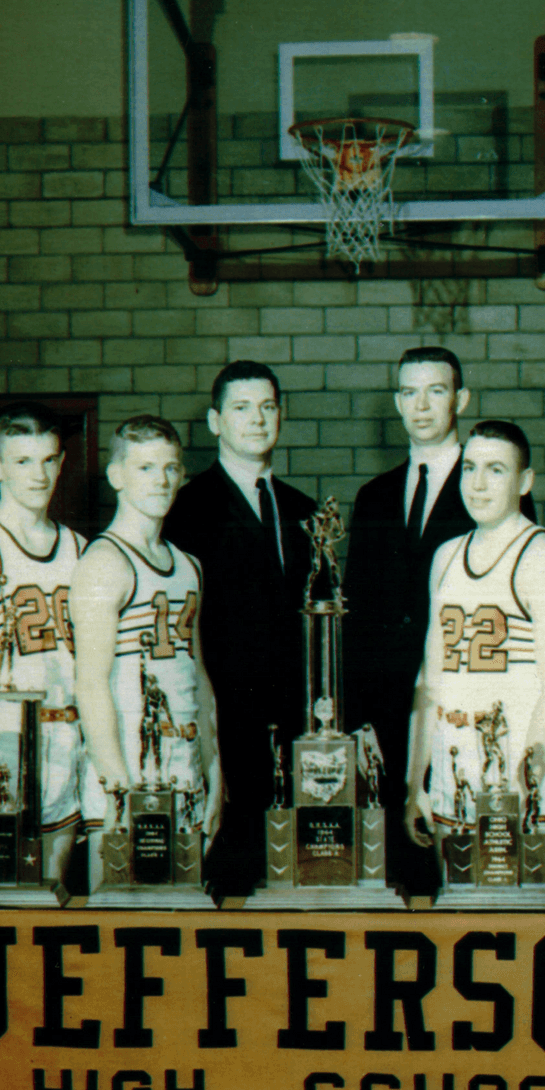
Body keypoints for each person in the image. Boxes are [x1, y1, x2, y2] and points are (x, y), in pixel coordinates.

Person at [164, 362, 314, 896]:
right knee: (231, 875)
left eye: (268, 406)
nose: (257, 419)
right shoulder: (186, 509)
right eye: (242, 408)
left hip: (298, 728)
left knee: (297, 877)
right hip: (224, 721)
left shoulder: (305, 512)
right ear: (214, 421)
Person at [406, 420, 545, 879]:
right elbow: (431, 679)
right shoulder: (445, 556)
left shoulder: (544, 557)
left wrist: (524, 786)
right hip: (455, 766)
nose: (478, 484)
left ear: (524, 481)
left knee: (529, 926)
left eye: (496, 470)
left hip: (519, 774)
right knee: (463, 929)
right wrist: (413, 780)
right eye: (470, 468)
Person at [344, 346, 481, 895]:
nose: (420, 406)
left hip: (456, 702)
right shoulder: (373, 496)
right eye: (408, 392)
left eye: (436, 391)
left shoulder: (486, 486)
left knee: (458, 864)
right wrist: (355, 718)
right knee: (395, 867)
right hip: (385, 708)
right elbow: (355, 613)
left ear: (461, 399)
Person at [72, 415, 222, 875]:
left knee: (179, 928)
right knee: (118, 923)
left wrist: (215, 773)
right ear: (116, 475)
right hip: (129, 771)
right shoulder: (104, 561)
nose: (161, 480)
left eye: (171, 468)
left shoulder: (188, 565)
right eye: (145, 468)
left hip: (184, 767)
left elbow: (197, 676)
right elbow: (91, 685)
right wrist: (119, 788)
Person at [0, 403, 89, 885]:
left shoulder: (79, 547)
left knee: (54, 898)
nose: (39, 473)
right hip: (7, 745)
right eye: (24, 461)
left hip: (65, 738)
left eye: (49, 459)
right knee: (6, 899)